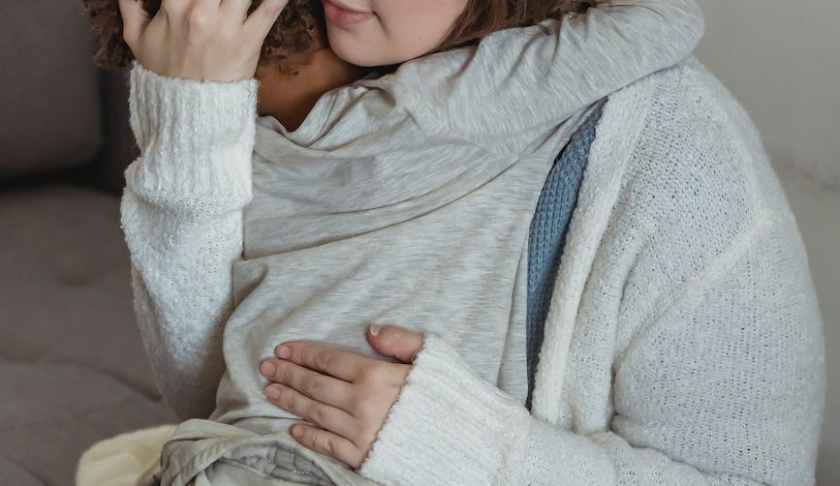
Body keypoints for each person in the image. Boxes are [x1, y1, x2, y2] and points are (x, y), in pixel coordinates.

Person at [100, 0, 825, 484]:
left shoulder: (672, 148)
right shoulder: (308, 79)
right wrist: (191, 111)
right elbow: (205, 389)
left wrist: (479, 451)